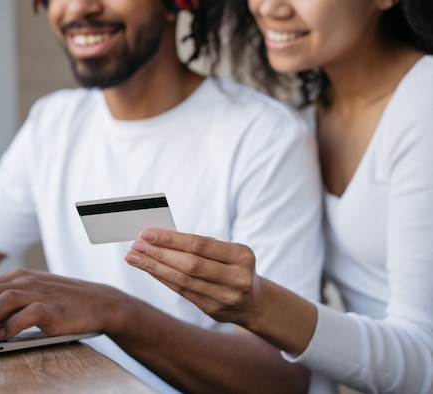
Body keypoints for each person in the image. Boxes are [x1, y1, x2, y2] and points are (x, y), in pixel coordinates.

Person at [0, 0, 327, 392]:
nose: (78, 8)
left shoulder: (265, 138)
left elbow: (279, 376)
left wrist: (114, 312)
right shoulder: (52, 124)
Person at [125, 0, 433, 392]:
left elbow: (426, 358)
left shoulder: (424, 104)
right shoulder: (305, 114)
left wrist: (259, 305)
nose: (270, 7)